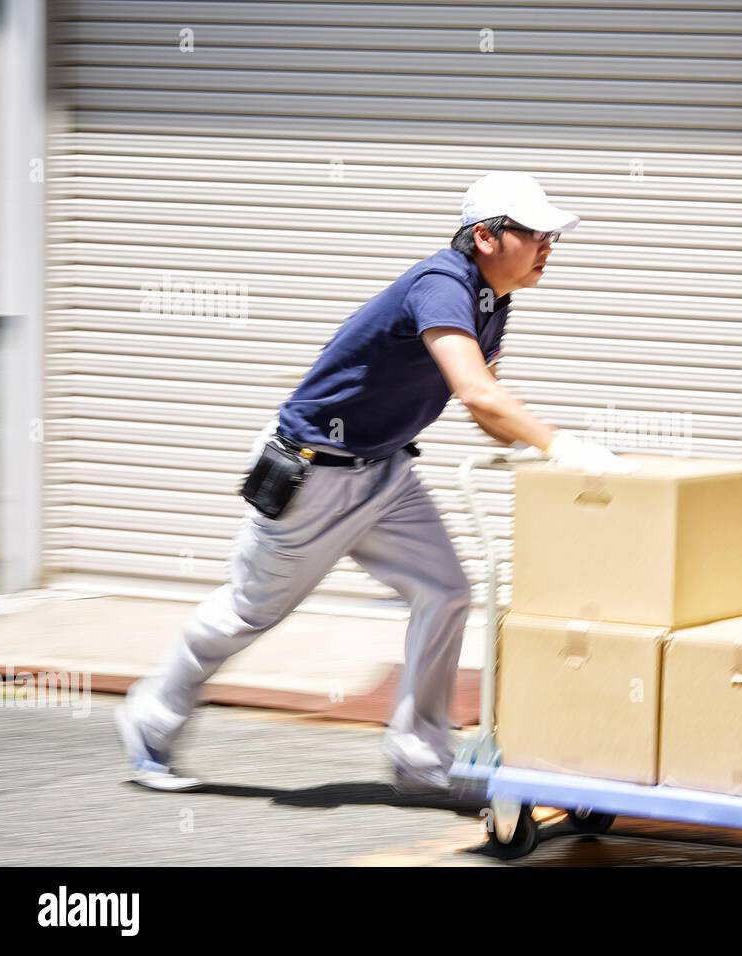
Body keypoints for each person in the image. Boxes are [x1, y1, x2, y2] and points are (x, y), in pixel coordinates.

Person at [115, 171, 632, 794]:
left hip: (385, 471)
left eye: (553, 234)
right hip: (314, 473)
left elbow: (485, 408)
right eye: (536, 232)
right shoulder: (443, 284)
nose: (550, 243)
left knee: (446, 593)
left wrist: (542, 447)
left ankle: (421, 761)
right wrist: (560, 441)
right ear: (487, 237)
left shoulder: (493, 302)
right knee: (244, 615)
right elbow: (476, 390)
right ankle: (150, 720)